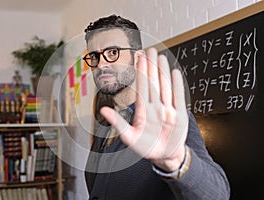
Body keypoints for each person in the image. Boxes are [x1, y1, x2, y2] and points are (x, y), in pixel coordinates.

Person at [83, 14, 230, 200]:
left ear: (138, 58)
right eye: (94, 56)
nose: (101, 64)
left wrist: (175, 160)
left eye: (112, 52)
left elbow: (217, 195)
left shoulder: (167, 120)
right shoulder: (105, 125)